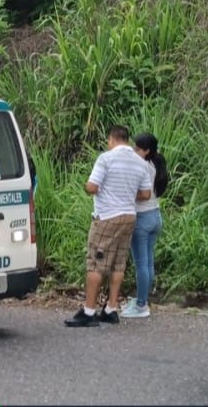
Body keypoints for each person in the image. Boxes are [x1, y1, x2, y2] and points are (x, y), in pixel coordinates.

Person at [65, 126, 152, 327]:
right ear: (127, 140)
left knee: (96, 262)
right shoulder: (140, 163)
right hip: (129, 216)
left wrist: (103, 190)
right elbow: (146, 194)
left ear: (111, 139)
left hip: (107, 218)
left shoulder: (106, 158)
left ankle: (88, 311)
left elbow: (91, 187)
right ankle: (111, 309)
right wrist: (127, 195)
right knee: (118, 263)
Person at [122, 132, 167, 319]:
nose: (134, 151)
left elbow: (138, 191)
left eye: (138, 149)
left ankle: (141, 305)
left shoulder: (142, 166)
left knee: (141, 264)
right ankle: (143, 299)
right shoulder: (158, 162)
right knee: (148, 262)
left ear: (147, 151)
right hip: (155, 215)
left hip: (141, 218)